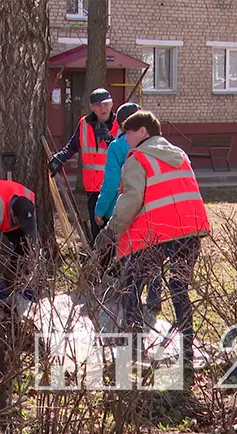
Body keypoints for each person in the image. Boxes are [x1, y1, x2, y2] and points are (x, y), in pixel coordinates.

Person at [96, 110, 211, 382]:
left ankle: (133, 355)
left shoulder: (138, 159)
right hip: (189, 231)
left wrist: (111, 231)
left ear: (143, 132)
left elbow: (131, 200)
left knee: (132, 286)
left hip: (157, 234)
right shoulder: (180, 155)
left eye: (129, 132)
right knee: (180, 290)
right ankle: (187, 356)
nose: (125, 138)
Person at [94, 102, 161, 311]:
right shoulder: (157, 145)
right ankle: (154, 296)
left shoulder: (117, 146)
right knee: (152, 252)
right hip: (154, 207)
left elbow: (112, 183)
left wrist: (100, 210)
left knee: (129, 255)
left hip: (126, 209)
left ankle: (128, 301)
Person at [48, 88, 119, 243]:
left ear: (112, 104)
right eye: (99, 105)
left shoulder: (119, 124)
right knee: (96, 230)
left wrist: (109, 139)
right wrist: (59, 158)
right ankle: (100, 264)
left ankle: (115, 265)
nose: (103, 108)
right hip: (92, 188)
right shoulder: (84, 123)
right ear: (92, 107)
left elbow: (126, 150)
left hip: (113, 188)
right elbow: (72, 146)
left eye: (106, 104)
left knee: (113, 231)